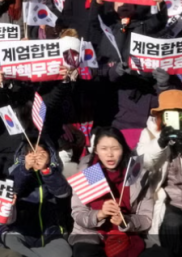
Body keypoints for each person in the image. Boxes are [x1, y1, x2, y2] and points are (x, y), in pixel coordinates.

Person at [69, 127, 153, 257]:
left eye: (115, 148)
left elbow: (146, 218)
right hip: (91, 235)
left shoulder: (136, 173)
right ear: (96, 150)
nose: (110, 154)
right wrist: (100, 214)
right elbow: (78, 214)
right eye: (104, 149)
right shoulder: (89, 171)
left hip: (127, 235)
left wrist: (126, 221)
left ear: (123, 148)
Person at [136, 89, 182, 253]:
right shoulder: (148, 133)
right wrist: (160, 143)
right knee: (172, 224)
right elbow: (144, 164)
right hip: (168, 198)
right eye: (169, 114)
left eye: (179, 113)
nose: (175, 118)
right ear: (160, 115)